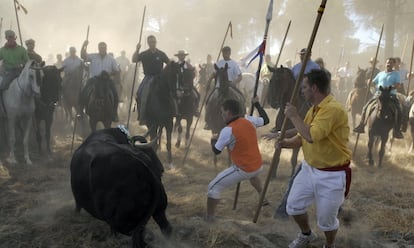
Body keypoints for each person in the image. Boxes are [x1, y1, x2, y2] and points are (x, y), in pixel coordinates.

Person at [276, 69, 352, 248]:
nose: (302, 91)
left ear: (314, 88)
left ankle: (329, 244)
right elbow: (302, 137)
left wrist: (294, 115)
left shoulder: (333, 109)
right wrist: (285, 142)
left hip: (332, 174)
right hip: (309, 169)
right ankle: (306, 234)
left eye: (304, 87)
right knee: (293, 207)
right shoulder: (314, 109)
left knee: (326, 220)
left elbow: (310, 135)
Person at [206, 96, 269, 222]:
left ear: (228, 112)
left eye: (222, 112)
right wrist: (257, 104)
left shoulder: (227, 130)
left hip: (244, 169)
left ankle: (209, 218)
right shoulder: (249, 119)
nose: (222, 114)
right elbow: (266, 120)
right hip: (257, 165)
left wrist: (213, 140)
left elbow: (216, 151)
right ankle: (263, 197)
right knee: (253, 175)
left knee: (213, 187)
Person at [353, 57, 403, 138]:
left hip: (391, 95)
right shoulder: (380, 74)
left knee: (399, 110)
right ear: (385, 63)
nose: (388, 64)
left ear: (393, 64)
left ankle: (397, 131)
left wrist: (390, 88)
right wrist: (369, 82)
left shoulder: (396, 74)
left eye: (390, 63)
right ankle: (361, 125)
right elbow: (373, 82)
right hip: (379, 94)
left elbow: (398, 84)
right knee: (365, 107)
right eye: (387, 62)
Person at [132, 35, 169, 125]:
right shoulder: (144, 54)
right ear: (148, 43)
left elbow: (169, 63)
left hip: (160, 77)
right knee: (140, 93)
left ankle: (173, 113)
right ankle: (142, 115)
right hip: (148, 78)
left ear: (156, 42)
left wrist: (165, 72)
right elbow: (134, 60)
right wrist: (137, 50)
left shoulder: (161, 54)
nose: (152, 43)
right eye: (151, 42)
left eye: (154, 42)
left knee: (171, 92)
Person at [80, 40, 120, 122]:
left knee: (115, 95)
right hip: (94, 80)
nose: (102, 49)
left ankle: (114, 113)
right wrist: (84, 46)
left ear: (106, 48)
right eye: (100, 48)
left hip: (107, 81)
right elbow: (83, 56)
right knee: (83, 92)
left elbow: (116, 71)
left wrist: (109, 73)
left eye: (104, 48)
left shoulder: (111, 59)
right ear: (98, 49)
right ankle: (80, 112)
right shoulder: (93, 56)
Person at [204, 46, 243, 130]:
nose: (225, 54)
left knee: (241, 98)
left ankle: (242, 118)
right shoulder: (219, 63)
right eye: (223, 53)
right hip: (218, 86)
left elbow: (240, 77)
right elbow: (213, 74)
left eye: (226, 53)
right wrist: (209, 81)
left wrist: (234, 82)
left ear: (229, 53)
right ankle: (208, 121)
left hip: (230, 85)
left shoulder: (234, 64)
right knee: (209, 101)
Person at [174, 50, 200, 116]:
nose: (181, 57)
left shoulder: (188, 65)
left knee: (197, 95)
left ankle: (196, 109)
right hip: (177, 84)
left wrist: (190, 79)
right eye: (180, 55)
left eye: (183, 55)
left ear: (184, 56)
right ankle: (173, 111)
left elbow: (193, 74)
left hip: (188, 86)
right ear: (178, 56)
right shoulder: (175, 65)